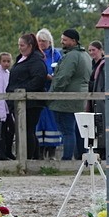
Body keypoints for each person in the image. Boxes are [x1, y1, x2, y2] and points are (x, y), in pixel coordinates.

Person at [49, 28, 93, 161]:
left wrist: (53, 94)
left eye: (65, 40)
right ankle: (81, 157)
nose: (62, 42)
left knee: (67, 130)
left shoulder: (72, 56)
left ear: (74, 41)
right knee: (78, 130)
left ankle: (66, 159)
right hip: (79, 98)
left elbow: (63, 77)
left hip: (66, 99)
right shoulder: (85, 55)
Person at [8, 33, 50, 162]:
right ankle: (32, 157)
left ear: (30, 45)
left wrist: (22, 90)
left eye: (22, 45)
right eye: (19, 45)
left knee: (28, 130)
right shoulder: (22, 58)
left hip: (31, 102)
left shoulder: (36, 60)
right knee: (25, 130)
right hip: (20, 100)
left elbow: (39, 79)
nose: (20, 48)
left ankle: (28, 158)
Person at [35, 28, 64, 159]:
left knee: (52, 122)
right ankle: (40, 150)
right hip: (38, 91)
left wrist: (53, 77)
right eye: (39, 41)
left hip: (52, 91)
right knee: (39, 122)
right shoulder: (35, 54)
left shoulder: (55, 54)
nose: (41, 43)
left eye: (44, 41)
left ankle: (52, 151)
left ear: (49, 42)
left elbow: (61, 69)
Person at [88, 40, 107, 158]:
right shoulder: (94, 65)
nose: (91, 53)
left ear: (100, 50)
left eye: (93, 50)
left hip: (100, 100)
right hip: (94, 100)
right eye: (89, 50)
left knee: (101, 126)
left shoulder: (103, 65)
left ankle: (103, 152)